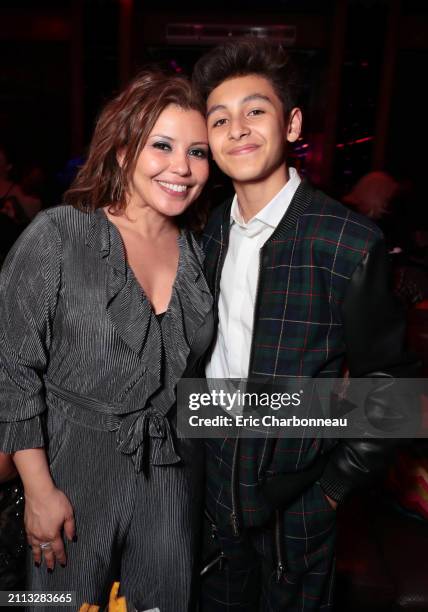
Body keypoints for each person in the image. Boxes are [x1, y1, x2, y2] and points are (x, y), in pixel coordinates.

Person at [192, 38, 415, 611]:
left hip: (301, 493)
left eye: (255, 111)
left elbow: (389, 386)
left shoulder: (348, 240)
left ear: (291, 125)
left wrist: (333, 490)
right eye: (220, 118)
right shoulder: (207, 234)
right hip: (215, 481)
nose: (237, 128)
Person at [0, 71, 213, 610]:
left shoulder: (201, 255)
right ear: (122, 151)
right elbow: (13, 366)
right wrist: (39, 489)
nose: (182, 167)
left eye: (198, 151)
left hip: (170, 472)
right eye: (161, 145)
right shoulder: (59, 234)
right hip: (71, 466)